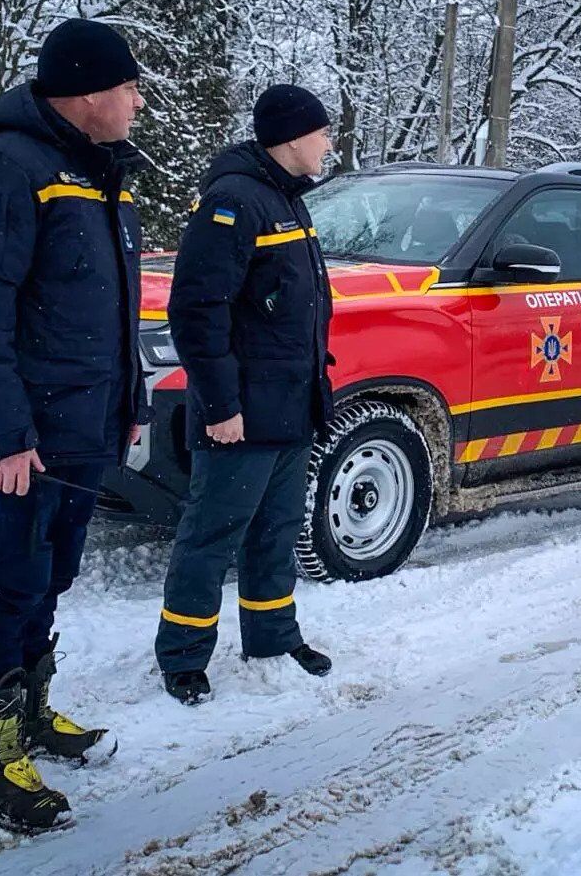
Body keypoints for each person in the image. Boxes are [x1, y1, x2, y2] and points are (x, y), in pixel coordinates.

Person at [0, 17, 151, 831]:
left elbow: (111, 311)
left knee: (51, 575)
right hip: (19, 439)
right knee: (7, 580)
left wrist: (126, 407)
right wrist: (2, 436)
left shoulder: (97, 173)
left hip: (81, 429)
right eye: (128, 86)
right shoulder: (6, 167)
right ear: (89, 91)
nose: (136, 101)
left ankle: (27, 711)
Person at [154, 83, 336, 705]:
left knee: (277, 531)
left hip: (288, 408)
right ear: (289, 138)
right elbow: (198, 312)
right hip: (241, 415)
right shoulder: (233, 202)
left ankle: (273, 636)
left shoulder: (287, 199)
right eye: (320, 132)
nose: (328, 143)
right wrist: (221, 407)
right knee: (213, 534)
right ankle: (182, 657)